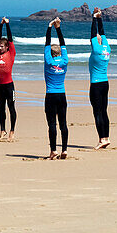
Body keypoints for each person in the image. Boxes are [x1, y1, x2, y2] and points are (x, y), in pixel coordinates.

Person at [43, 17, 69, 160]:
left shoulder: (48, 61)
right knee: (63, 123)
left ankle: (53, 151)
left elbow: (47, 43)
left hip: (51, 95)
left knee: (52, 124)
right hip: (62, 95)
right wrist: (58, 28)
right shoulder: (64, 61)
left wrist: (49, 27)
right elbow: (63, 43)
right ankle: (64, 149)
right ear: (60, 52)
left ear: (51, 53)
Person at [89, 8, 111, 150]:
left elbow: (93, 33)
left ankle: (101, 139)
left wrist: (93, 18)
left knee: (97, 112)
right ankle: (106, 137)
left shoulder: (96, 50)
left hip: (96, 85)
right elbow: (101, 33)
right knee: (104, 111)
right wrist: (99, 18)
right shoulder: (107, 48)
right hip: (105, 83)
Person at [0, 17, 17, 141]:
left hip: (9, 86)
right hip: (0, 86)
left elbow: (10, 38)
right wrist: (0, 24)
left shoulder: (11, 53)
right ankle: (2, 130)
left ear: (7, 47)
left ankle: (12, 130)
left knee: (11, 108)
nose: (0, 48)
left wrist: (7, 24)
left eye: (2, 46)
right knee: (1, 109)